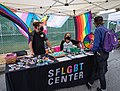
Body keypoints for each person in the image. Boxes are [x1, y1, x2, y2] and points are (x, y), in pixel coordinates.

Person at [86, 16, 109, 91]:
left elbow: (96, 44)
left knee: (100, 72)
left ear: (95, 23)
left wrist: (91, 50)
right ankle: (90, 83)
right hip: (106, 52)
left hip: (99, 53)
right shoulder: (106, 29)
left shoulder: (98, 30)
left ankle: (103, 88)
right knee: (95, 68)